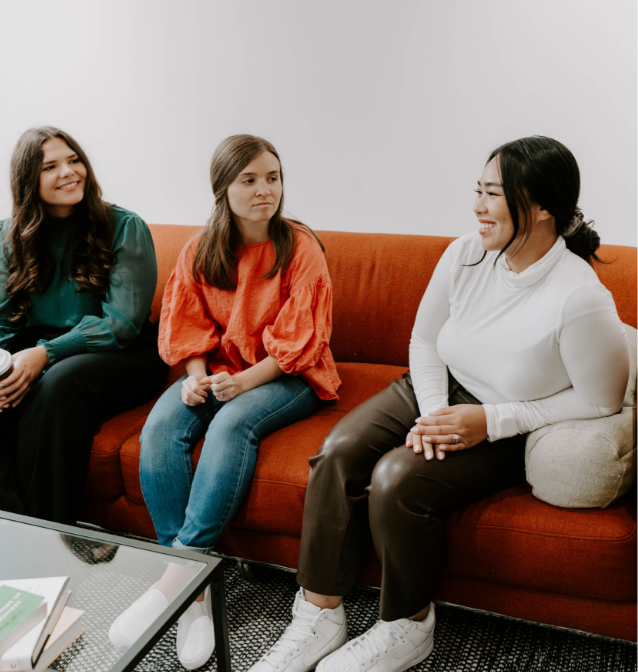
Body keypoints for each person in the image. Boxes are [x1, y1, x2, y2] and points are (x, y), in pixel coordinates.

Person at [250, 136, 630, 672]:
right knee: (337, 453)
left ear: (542, 207)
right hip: (432, 388)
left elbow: (602, 400)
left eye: (493, 194)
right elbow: (426, 342)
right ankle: (319, 614)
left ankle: (406, 625)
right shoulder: (465, 253)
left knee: (397, 480)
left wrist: (493, 421)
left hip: (504, 418)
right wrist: (431, 412)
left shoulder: (579, 296)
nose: (477, 206)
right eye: (478, 190)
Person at [109, 134, 341, 670]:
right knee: (164, 422)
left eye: (273, 178)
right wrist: (193, 378)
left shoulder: (299, 245)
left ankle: (176, 575)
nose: (266, 191)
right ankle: (192, 592)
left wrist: (243, 383)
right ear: (223, 188)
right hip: (221, 370)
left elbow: (300, 343)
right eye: (250, 179)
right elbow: (190, 328)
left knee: (232, 423)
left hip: (290, 372)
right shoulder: (199, 249)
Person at [0, 126, 167, 524]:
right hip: (38, 346)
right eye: (51, 166)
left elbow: (121, 323)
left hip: (121, 351)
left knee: (56, 385)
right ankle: (15, 537)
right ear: (28, 180)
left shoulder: (124, 226)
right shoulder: (8, 235)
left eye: (74, 160)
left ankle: (51, 533)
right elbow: (3, 321)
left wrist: (47, 353)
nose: (69, 172)